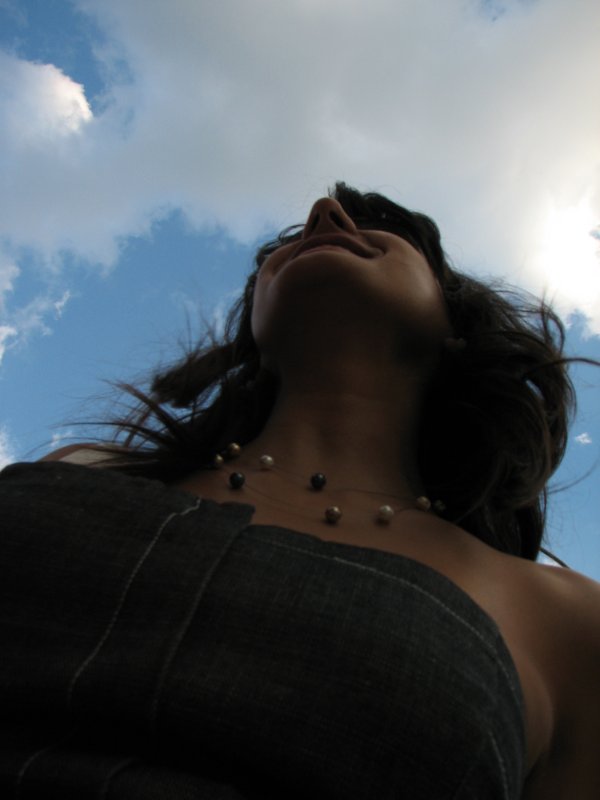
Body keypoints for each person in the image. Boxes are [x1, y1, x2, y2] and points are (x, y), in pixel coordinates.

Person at [1, 182, 599, 799]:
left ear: (457, 324)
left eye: (384, 229)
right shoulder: (88, 468)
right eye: (288, 240)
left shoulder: (567, 625)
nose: (322, 216)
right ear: (254, 336)